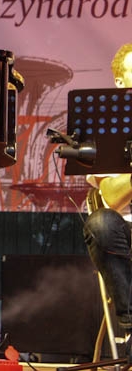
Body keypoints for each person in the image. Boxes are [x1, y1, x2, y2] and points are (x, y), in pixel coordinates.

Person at [83, 42, 132, 354]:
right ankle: (131, 325)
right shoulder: (107, 130)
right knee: (100, 223)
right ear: (120, 81)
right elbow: (112, 198)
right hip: (126, 234)